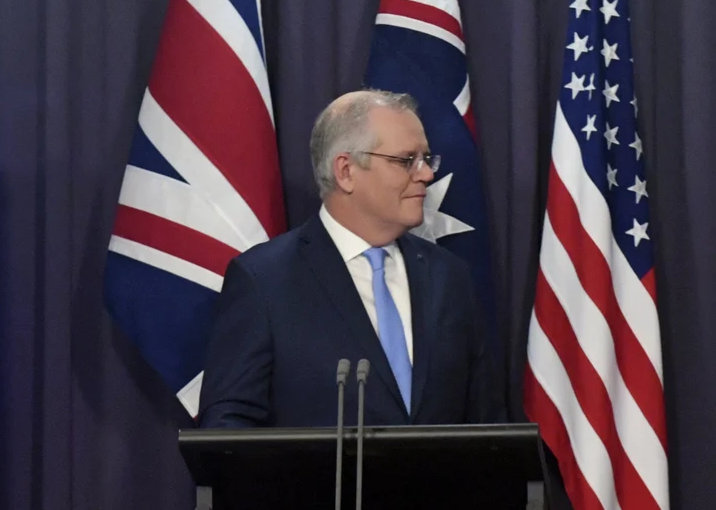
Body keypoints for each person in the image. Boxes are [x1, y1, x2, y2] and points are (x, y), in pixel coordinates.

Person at [197, 89, 503, 428]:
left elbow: (488, 425)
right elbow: (228, 429)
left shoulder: (449, 277)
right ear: (345, 171)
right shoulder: (265, 281)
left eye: (426, 159)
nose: (426, 175)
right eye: (406, 161)